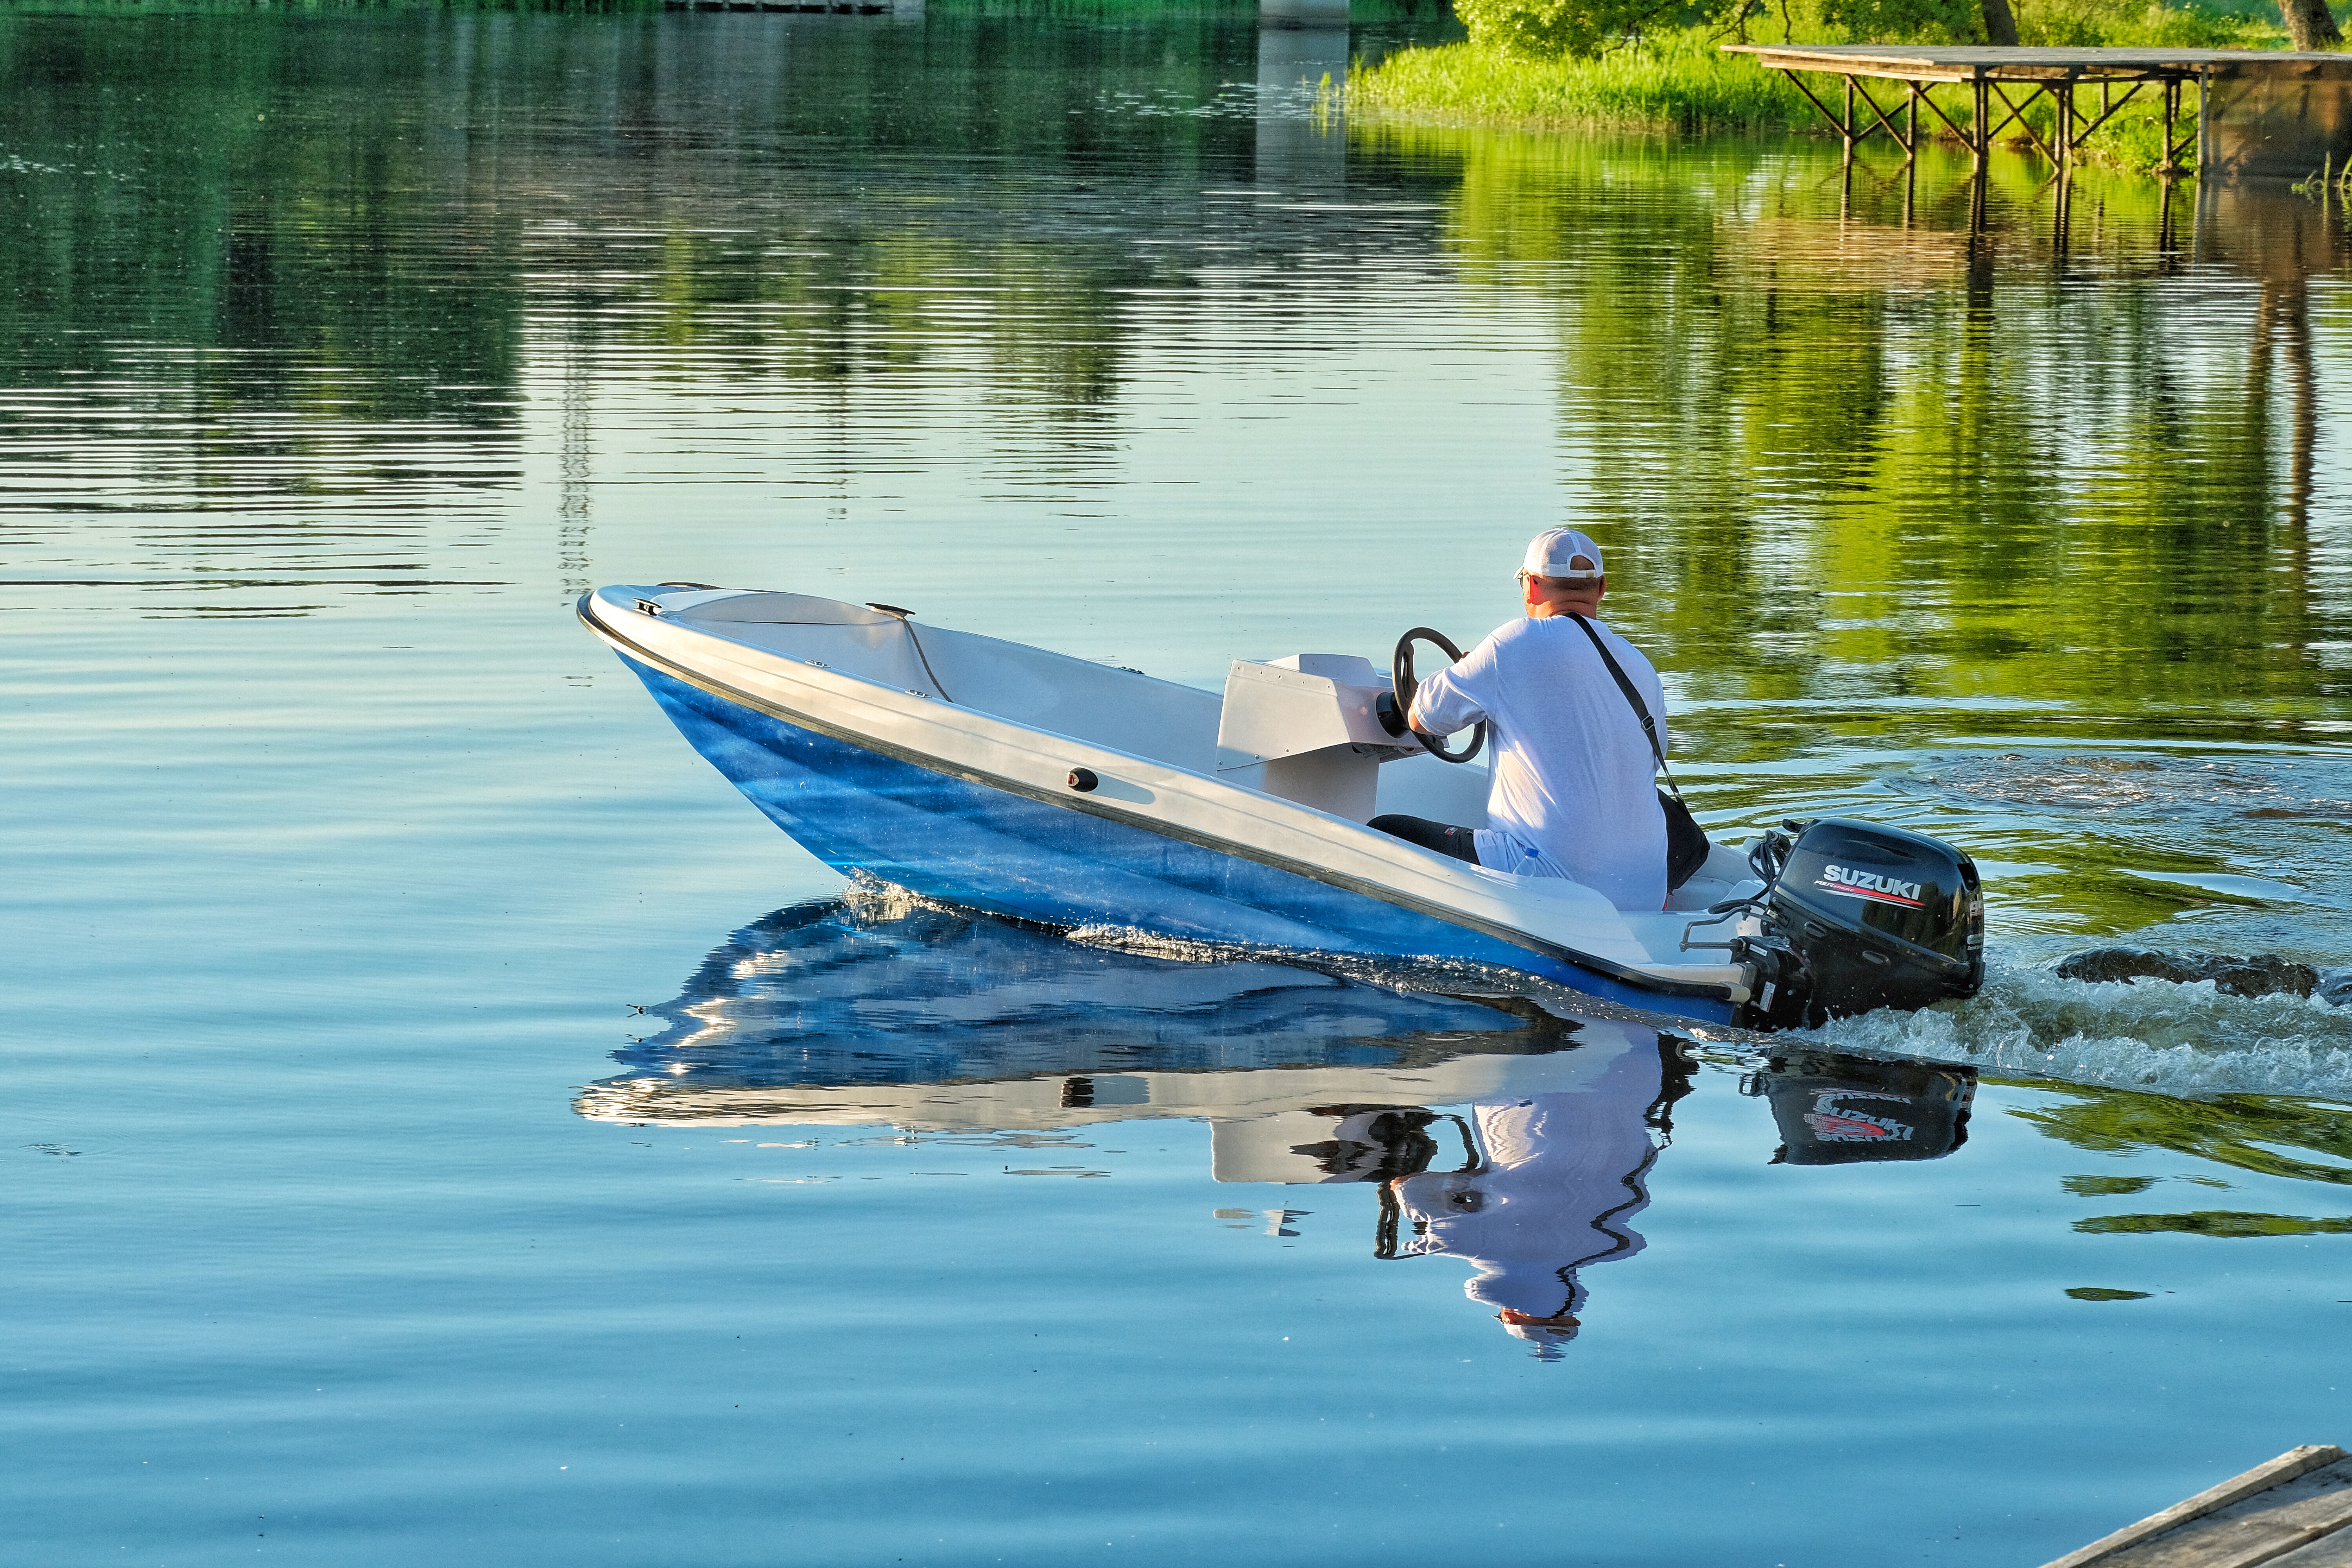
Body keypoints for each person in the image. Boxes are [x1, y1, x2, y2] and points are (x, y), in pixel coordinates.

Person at [1368, 527, 1671, 911]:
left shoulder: (1511, 645)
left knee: (1385, 833)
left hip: (1549, 881)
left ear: (1531, 587)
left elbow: (1421, 717)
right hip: (1645, 891)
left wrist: (1470, 675)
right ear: (1601, 588)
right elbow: (1653, 752)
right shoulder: (1641, 668)